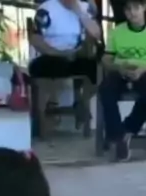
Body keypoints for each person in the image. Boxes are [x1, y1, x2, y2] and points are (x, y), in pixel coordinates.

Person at [99, 0, 146, 161]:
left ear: (144, 8)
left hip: (144, 71)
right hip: (120, 71)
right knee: (105, 90)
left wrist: (143, 69)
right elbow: (106, 59)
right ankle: (117, 136)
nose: (132, 13)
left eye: (136, 8)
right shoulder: (117, 31)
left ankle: (127, 130)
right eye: (128, 9)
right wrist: (118, 67)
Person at [29, 0, 101, 131]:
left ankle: (82, 103)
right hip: (51, 55)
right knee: (42, 69)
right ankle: (46, 115)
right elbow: (35, 40)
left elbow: (96, 34)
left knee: (98, 71)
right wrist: (59, 53)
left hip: (75, 55)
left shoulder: (84, 7)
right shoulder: (47, 9)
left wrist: (79, 12)